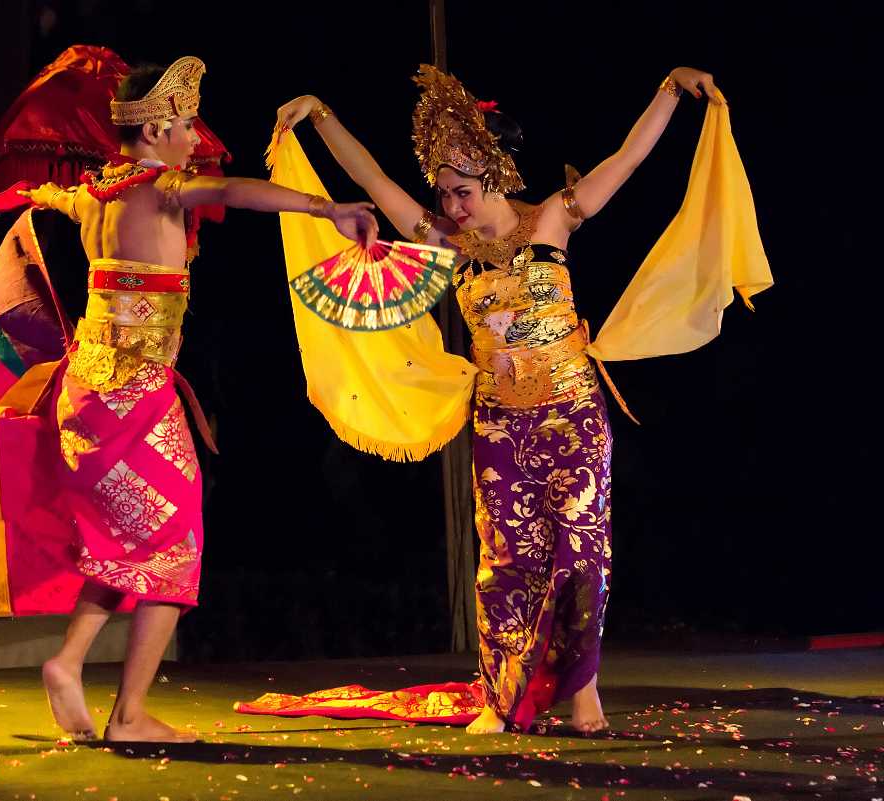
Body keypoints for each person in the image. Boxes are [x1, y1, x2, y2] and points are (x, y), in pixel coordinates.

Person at [0, 54, 377, 744]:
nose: (195, 139)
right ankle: (129, 712)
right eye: (188, 125)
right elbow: (242, 191)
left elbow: (43, 201)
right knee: (178, 542)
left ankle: (70, 662)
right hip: (132, 396)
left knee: (129, 543)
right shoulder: (163, 189)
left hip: (88, 394)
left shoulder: (96, 191)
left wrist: (23, 201)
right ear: (159, 127)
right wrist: (329, 207)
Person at [237, 64, 770, 734]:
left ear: (491, 175)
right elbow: (373, 180)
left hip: (573, 414)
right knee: (506, 559)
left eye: (461, 191)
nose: (453, 205)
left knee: (581, 552)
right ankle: (500, 694)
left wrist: (667, 90)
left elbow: (628, 157)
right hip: (499, 421)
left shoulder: (553, 218)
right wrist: (320, 115)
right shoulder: (449, 243)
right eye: (444, 193)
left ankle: (583, 693)